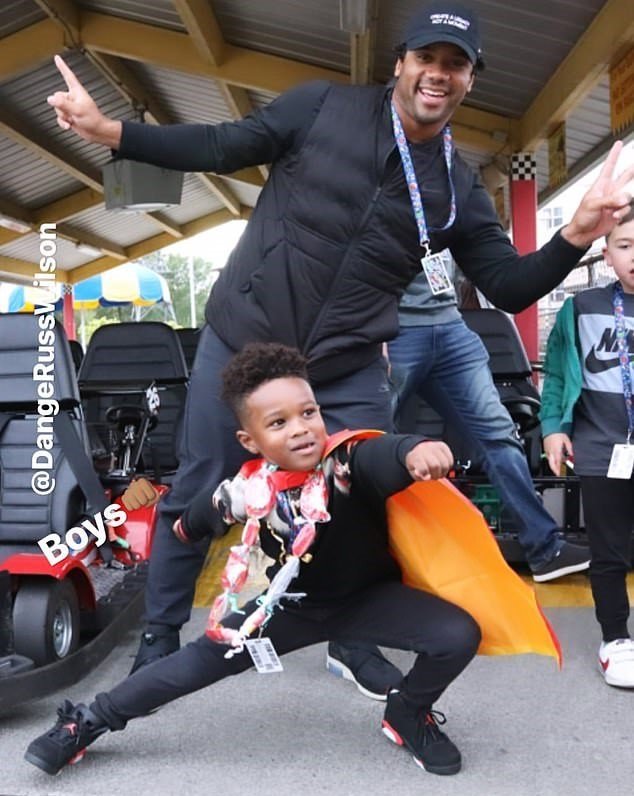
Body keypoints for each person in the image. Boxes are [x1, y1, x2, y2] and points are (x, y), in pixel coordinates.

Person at [46, 0, 634, 696]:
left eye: (456, 65)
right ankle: (161, 634)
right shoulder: (321, 109)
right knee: (201, 487)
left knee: (360, 507)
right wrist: (114, 131)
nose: (438, 74)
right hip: (245, 343)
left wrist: (575, 236)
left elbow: (507, 284)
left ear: (471, 80)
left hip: (347, 364)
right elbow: (220, 145)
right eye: (427, 59)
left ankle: (352, 643)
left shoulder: (455, 188)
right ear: (401, 65)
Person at [25, 342, 481, 777]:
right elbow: (196, 518)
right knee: (193, 663)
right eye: (278, 423)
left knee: (458, 635)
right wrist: (186, 528)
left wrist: (414, 450)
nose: (301, 428)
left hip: (370, 600)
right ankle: (87, 721)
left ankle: (407, 712)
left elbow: (382, 453)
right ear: (250, 439)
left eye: (308, 412)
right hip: (287, 607)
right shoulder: (245, 490)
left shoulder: (346, 462)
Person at [388, 259, 591, 582]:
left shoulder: (448, 208)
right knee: (372, 439)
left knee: (498, 432)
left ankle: (545, 548)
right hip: (392, 327)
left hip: (450, 322)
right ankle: (364, 553)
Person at [541, 204, 634, 688]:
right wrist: (553, 426)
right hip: (602, 447)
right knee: (609, 548)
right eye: (625, 245)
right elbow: (556, 373)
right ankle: (616, 638)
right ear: (606, 253)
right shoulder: (582, 308)